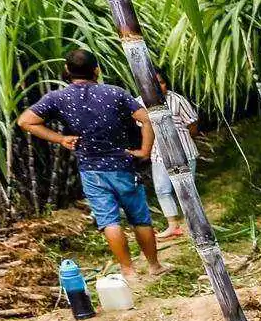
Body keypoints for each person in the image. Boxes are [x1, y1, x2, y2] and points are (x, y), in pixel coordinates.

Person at [17, 48, 160, 277]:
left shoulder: (57, 97)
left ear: (67, 70)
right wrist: (145, 150)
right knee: (140, 218)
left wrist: (61, 139)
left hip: (91, 169)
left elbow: (25, 121)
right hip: (123, 164)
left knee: (109, 221)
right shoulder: (116, 93)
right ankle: (154, 266)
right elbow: (146, 118)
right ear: (97, 70)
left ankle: (128, 270)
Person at [148, 74, 198, 240]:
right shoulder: (140, 103)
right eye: (154, 83)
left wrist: (181, 142)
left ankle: (195, 224)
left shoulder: (177, 100)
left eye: (161, 82)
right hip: (158, 154)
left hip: (184, 151)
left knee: (186, 190)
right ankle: (173, 226)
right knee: (162, 190)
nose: (159, 86)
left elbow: (192, 124)